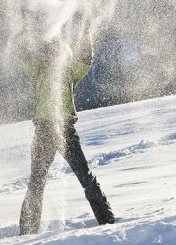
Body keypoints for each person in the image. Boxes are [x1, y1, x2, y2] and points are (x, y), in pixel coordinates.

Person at [19, 27, 115, 235]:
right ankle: (27, 231)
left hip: (66, 131)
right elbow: (25, 57)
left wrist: (87, 32)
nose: (53, 53)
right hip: (43, 131)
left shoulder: (70, 73)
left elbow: (85, 61)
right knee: (37, 180)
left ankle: (106, 220)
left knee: (84, 176)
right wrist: (26, 31)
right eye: (50, 50)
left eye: (58, 49)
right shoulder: (38, 72)